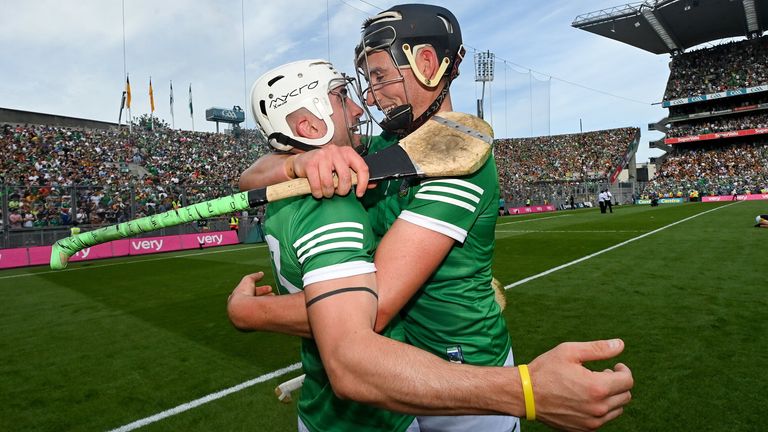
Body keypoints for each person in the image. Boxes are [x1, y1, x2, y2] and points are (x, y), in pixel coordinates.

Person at [232, 5, 633, 432]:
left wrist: (254, 314)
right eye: (367, 80)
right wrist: (301, 163)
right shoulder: (390, 143)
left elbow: (374, 307)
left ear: (426, 64)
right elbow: (251, 175)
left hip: (465, 379)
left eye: (380, 76)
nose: (369, 95)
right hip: (399, 372)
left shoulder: (460, 157)